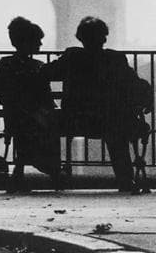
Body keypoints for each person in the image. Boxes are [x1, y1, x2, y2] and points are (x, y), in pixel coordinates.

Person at [44, 16, 137, 191]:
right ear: (104, 38)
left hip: (74, 120)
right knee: (116, 132)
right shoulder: (116, 59)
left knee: (49, 123)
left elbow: (48, 72)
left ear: (81, 38)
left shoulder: (72, 57)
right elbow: (133, 83)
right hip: (108, 120)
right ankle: (125, 178)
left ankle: (57, 175)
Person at [0, 17, 62, 192]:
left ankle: (20, 170)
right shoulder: (38, 67)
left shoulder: (2, 64)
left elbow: (1, 91)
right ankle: (53, 171)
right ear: (27, 42)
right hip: (34, 118)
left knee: (25, 124)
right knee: (45, 124)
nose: (41, 44)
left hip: (12, 118)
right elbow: (45, 97)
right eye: (37, 41)